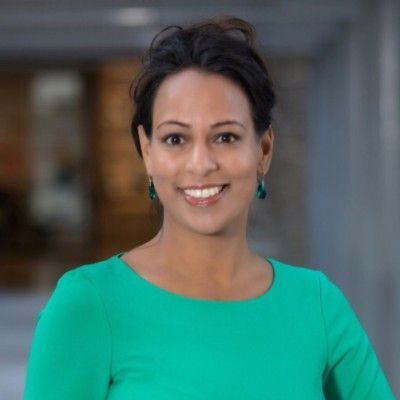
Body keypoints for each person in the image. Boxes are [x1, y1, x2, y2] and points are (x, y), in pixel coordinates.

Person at [24, 16, 395, 400]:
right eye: (175, 139)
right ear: (147, 152)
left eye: (225, 137)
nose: (200, 164)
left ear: (263, 150)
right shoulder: (89, 305)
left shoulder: (316, 305)